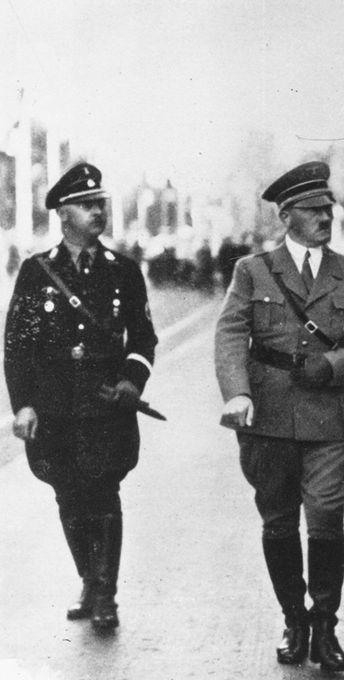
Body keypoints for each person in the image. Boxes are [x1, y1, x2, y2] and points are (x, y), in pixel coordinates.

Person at [214, 161, 344, 672]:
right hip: (268, 417)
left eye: (328, 209)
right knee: (277, 520)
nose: (325, 218)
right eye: (313, 210)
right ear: (286, 216)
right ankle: (294, 620)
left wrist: (333, 366)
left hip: (331, 416)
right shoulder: (252, 272)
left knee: (327, 515)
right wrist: (236, 393)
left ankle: (325, 625)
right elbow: (230, 334)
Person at [4, 163, 158, 631]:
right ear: (63, 214)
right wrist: (23, 404)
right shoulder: (37, 273)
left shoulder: (124, 271)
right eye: (87, 205)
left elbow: (143, 339)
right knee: (69, 496)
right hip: (54, 409)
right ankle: (89, 581)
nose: (98, 212)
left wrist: (132, 381)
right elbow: (18, 346)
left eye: (101, 204)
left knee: (104, 493)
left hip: (106, 405)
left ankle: (106, 594)